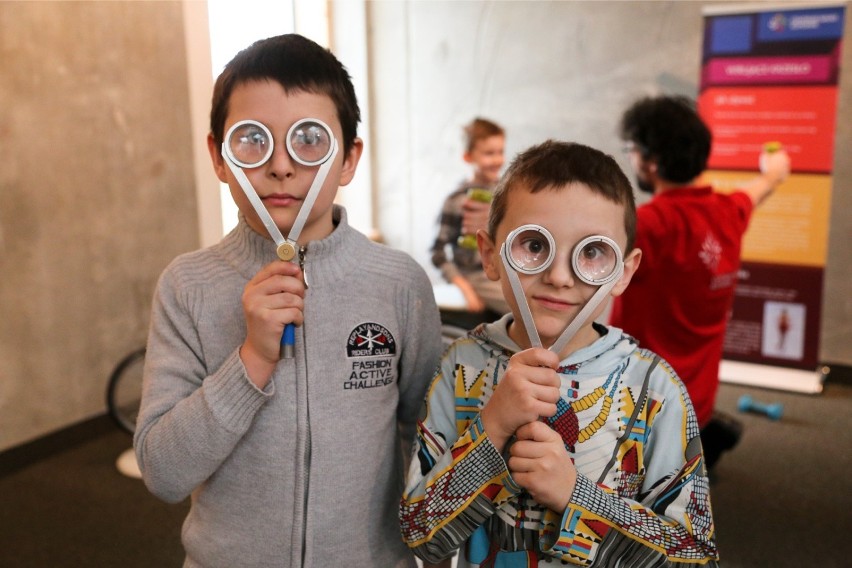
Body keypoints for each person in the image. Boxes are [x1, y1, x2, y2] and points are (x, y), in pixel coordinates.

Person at [133, 34, 443, 568]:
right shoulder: (188, 285)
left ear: (348, 159)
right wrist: (251, 359)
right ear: (219, 157)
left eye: (309, 142)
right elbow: (163, 472)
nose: (281, 166)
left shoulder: (398, 283)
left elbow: (432, 445)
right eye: (253, 140)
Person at [401, 140, 719, 566]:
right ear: (490, 255)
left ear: (623, 273)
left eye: (591, 253)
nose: (558, 276)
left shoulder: (654, 389)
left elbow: (695, 558)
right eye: (534, 246)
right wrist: (492, 427)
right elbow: (422, 536)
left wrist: (576, 495)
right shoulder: (461, 365)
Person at [609, 95, 791, 470]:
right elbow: (763, 186)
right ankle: (699, 440)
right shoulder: (728, 212)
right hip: (697, 400)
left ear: (650, 161)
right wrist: (773, 171)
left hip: (640, 406)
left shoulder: (647, 225)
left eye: (631, 150)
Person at [431, 117, 510, 318]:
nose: (497, 160)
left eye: (500, 152)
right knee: (526, 308)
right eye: (488, 153)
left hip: (507, 273)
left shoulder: (510, 193)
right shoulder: (456, 201)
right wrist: (465, 288)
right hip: (477, 277)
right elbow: (438, 253)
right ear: (468, 157)